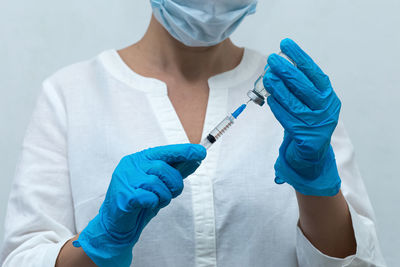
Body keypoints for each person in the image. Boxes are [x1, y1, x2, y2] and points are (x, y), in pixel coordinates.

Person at [0, 1, 386, 266]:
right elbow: (23, 257)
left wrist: (315, 185)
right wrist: (98, 244)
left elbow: (359, 261)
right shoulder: (71, 94)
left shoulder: (294, 98)